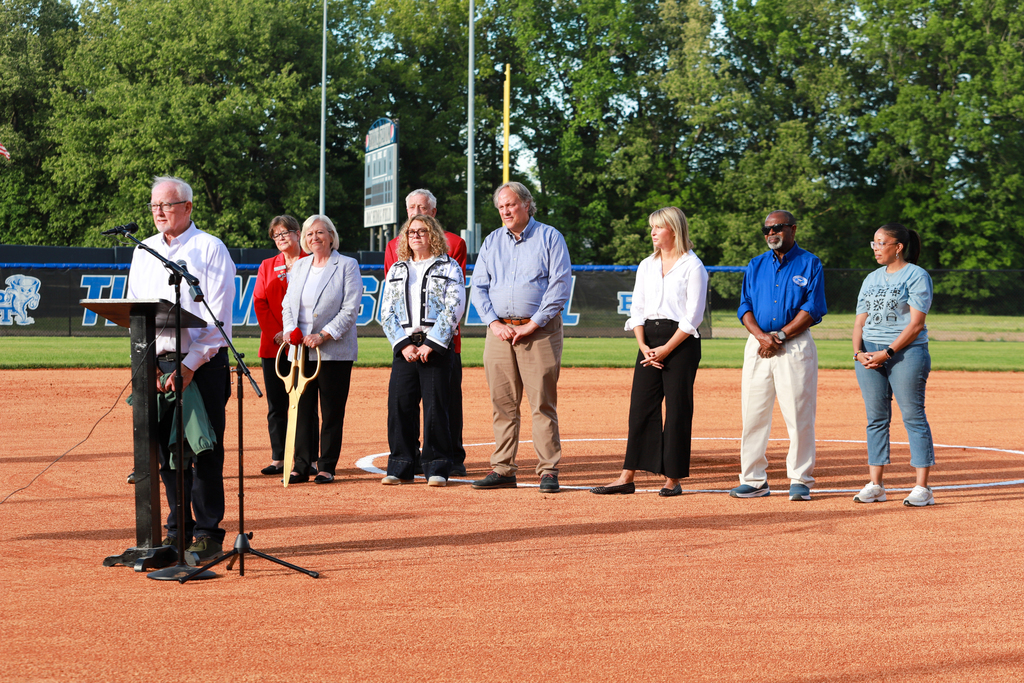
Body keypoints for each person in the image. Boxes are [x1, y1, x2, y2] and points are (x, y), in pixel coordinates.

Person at [126, 175, 235, 561]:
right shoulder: (144, 250)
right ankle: (176, 530)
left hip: (202, 366)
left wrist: (188, 367)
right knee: (167, 451)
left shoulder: (210, 248)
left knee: (202, 449)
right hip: (156, 365)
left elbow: (217, 317)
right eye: (154, 205)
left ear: (188, 208)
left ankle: (207, 532)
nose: (158, 212)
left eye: (167, 205)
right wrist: (152, 367)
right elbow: (135, 309)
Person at [592, 207, 707, 497]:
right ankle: (627, 475)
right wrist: (643, 345)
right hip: (648, 340)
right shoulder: (646, 265)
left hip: (680, 343)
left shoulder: (693, 266)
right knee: (641, 408)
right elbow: (638, 308)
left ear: (674, 231)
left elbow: (693, 316)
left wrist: (666, 349)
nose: (652, 232)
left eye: (658, 227)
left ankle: (672, 478)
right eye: (651, 227)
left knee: (679, 409)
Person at [470, 181, 572, 493]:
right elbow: (479, 286)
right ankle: (503, 469)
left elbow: (559, 285)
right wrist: (492, 322)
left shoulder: (550, 236)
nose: (505, 211)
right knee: (502, 403)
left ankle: (548, 470)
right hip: (499, 333)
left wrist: (534, 324)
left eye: (510, 205)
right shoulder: (491, 241)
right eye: (500, 206)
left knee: (541, 402)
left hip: (538, 332)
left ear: (526, 204)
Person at [730, 210, 827, 501]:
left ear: (792, 229)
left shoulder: (810, 262)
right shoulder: (756, 264)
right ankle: (753, 479)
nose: (771, 233)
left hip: (794, 345)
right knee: (753, 413)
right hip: (757, 344)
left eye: (778, 227)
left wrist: (781, 335)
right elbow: (744, 305)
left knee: (799, 414)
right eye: (767, 229)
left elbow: (813, 308)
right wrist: (761, 336)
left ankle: (800, 479)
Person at [384, 189, 469, 477]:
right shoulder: (397, 269)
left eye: (422, 231)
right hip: (406, 347)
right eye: (411, 232)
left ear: (432, 233)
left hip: (435, 347)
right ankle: (401, 464)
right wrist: (404, 344)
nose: (416, 235)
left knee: (436, 409)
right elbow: (387, 312)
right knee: (400, 406)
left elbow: (454, 305)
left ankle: (436, 466)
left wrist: (433, 343)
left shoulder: (449, 266)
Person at [852, 223, 936, 507]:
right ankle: (876, 484)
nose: (875, 248)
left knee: (913, 416)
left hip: (905, 353)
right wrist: (858, 352)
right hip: (870, 354)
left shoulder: (916, 275)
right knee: (876, 419)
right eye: (873, 242)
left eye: (881, 242)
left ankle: (922, 488)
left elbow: (916, 324)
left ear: (898, 247)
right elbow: (859, 321)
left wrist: (887, 352)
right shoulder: (872, 278)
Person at [280, 215, 361, 484]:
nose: (315, 238)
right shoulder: (300, 266)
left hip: (332, 351)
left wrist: (323, 335)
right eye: (310, 233)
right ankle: (302, 464)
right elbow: (287, 305)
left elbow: (350, 309)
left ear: (331, 235)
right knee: (303, 409)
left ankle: (326, 465)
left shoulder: (347, 265)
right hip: (300, 351)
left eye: (320, 233)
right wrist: (292, 331)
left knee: (331, 410)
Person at [252, 215, 316, 477]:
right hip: (274, 345)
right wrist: (278, 334)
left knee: (306, 404)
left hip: (305, 344)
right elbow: (259, 302)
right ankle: (278, 457)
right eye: (276, 235)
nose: (281, 238)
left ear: (298, 233)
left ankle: (309, 458)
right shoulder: (268, 265)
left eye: (286, 233)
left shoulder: (312, 262)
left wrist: (297, 334)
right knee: (277, 404)